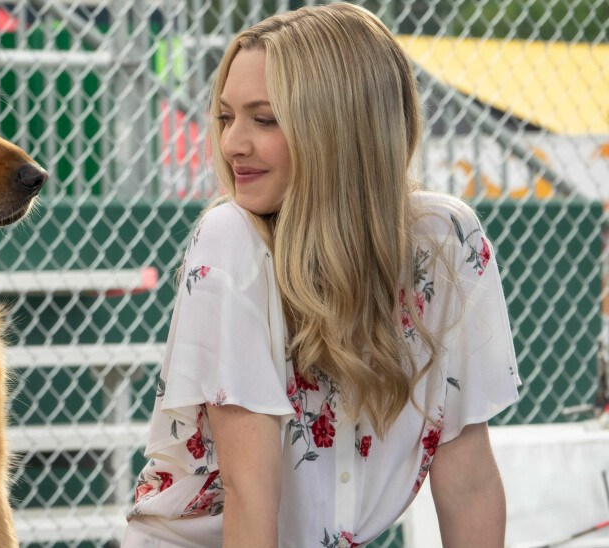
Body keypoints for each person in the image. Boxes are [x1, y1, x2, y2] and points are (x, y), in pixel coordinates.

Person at [122, 3, 521, 547]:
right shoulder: (230, 240)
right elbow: (250, 496)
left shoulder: (446, 239)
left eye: (263, 119)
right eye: (225, 116)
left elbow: (468, 478)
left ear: (342, 127)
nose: (233, 143)